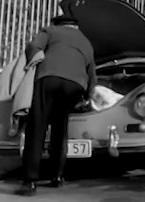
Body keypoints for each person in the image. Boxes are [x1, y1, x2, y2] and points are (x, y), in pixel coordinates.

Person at [15, 15, 96, 196]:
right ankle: (56, 177)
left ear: (57, 24)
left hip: (49, 78)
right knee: (60, 127)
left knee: (37, 126)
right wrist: (88, 96)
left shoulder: (50, 31)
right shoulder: (86, 41)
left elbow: (33, 46)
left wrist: (34, 60)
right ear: (75, 26)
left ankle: (30, 182)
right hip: (75, 85)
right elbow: (92, 74)